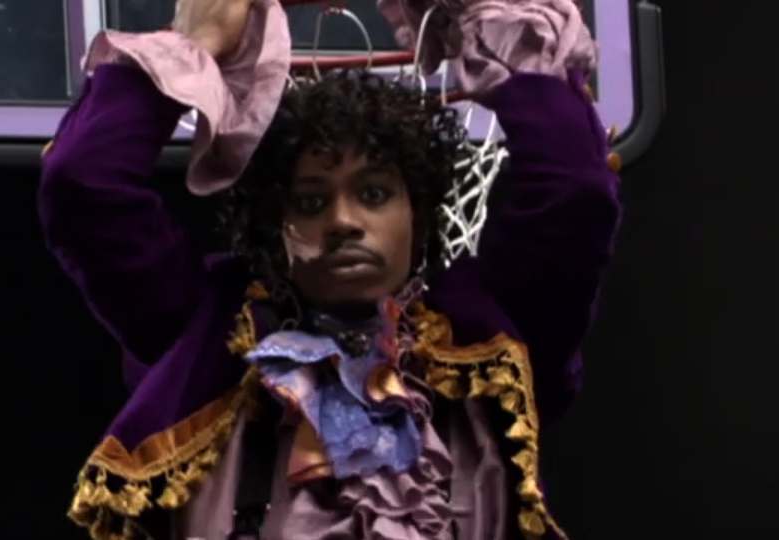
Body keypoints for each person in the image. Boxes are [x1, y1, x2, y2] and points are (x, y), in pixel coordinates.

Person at [39, 0, 621, 538]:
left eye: (374, 193)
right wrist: (195, 44)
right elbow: (83, 185)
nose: (343, 221)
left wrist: (483, 17)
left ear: (418, 214)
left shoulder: (487, 334)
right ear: (275, 227)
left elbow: (575, 190)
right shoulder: (208, 334)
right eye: (311, 202)